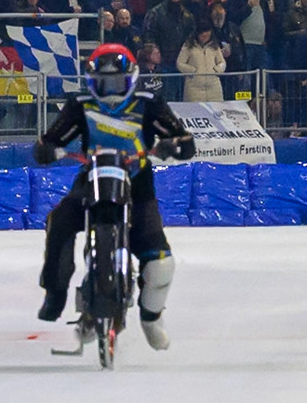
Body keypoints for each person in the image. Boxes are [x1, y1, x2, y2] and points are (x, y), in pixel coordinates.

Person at [34, 44, 195, 351]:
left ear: (131, 79)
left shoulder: (148, 103)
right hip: (91, 179)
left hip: (138, 185)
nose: (109, 91)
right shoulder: (80, 105)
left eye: (116, 83)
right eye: (103, 84)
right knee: (58, 222)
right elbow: (50, 140)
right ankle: (55, 294)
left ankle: (151, 317)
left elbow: (185, 141)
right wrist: (48, 149)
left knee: (161, 265)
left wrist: (173, 145)